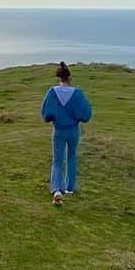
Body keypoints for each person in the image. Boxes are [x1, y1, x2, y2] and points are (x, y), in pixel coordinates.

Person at [41, 61, 93, 205]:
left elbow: (45, 113)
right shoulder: (78, 93)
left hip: (58, 130)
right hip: (73, 130)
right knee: (72, 157)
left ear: (59, 78)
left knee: (57, 160)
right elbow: (87, 113)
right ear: (70, 78)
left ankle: (57, 190)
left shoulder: (52, 92)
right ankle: (70, 188)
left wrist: (53, 117)